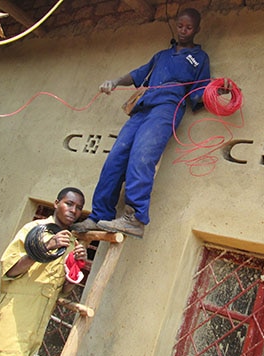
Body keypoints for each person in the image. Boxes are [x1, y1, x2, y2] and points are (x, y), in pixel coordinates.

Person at [72, 8, 211, 239]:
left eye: (189, 27)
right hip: (142, 109)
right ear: (176, 25)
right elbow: (137, 75)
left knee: (142, 155)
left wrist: (217, 93)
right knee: (115, 158)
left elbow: (200, 91)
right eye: (180, 25)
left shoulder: (199, 58)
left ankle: (134, 218)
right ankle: (99, 215)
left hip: (167, 108)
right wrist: (115, 81)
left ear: (197, 29)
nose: (184, 31)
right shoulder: (161, 56)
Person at [0, 187, 87, 356]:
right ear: (56, 204)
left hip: (38, 323)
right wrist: (44, 247)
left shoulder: (71, 243)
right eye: (69, 204)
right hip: (16, 315)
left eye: (79, 208)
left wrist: (77, 266)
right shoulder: (33, 230)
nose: (73, 210)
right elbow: (10, 271)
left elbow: (64, 290)